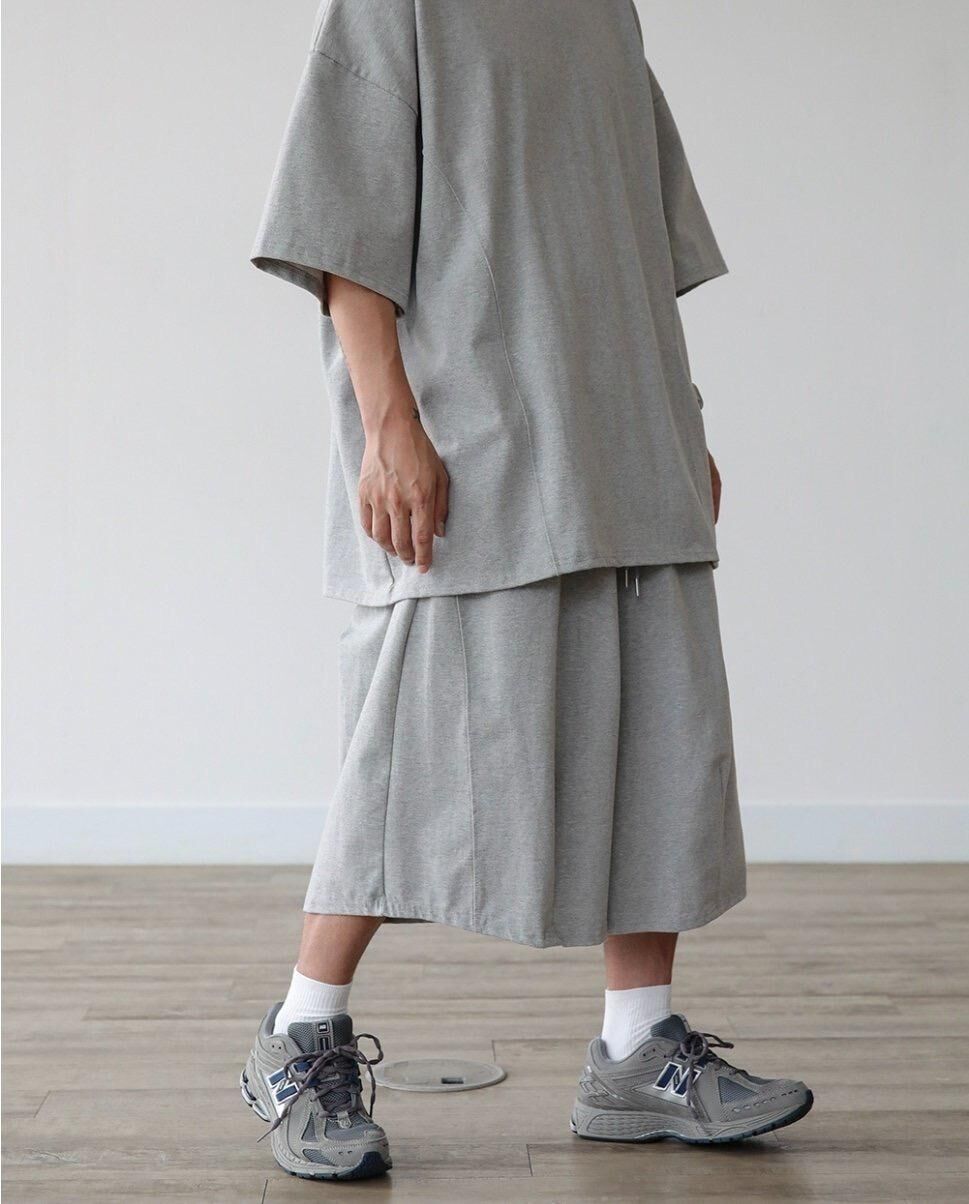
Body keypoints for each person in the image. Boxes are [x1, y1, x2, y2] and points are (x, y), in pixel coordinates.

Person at [242, 0, 812, 1182]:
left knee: (658, 731)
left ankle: (637, 1045)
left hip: (623, 429)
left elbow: (638, 234)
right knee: (413, 757)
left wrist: (680, 412)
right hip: (478, 434)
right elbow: (343, 231)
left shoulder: (604, 10)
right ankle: (300, 1031)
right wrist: (387, 427)